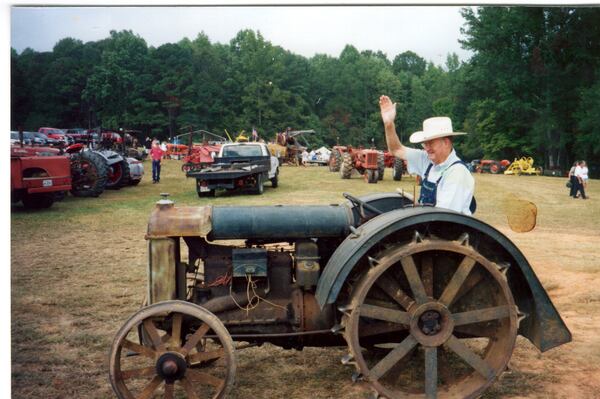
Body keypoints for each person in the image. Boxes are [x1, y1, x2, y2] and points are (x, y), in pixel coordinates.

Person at [379, 95, 475, 215]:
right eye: (425, 143)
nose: (427, 148)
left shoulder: (457, 173)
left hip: (446, 231)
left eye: (431, 143)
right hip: (429, 224)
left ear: (446, 142)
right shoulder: (427, 159)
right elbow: (396, 149)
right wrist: (389, 124)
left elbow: (443, 217)